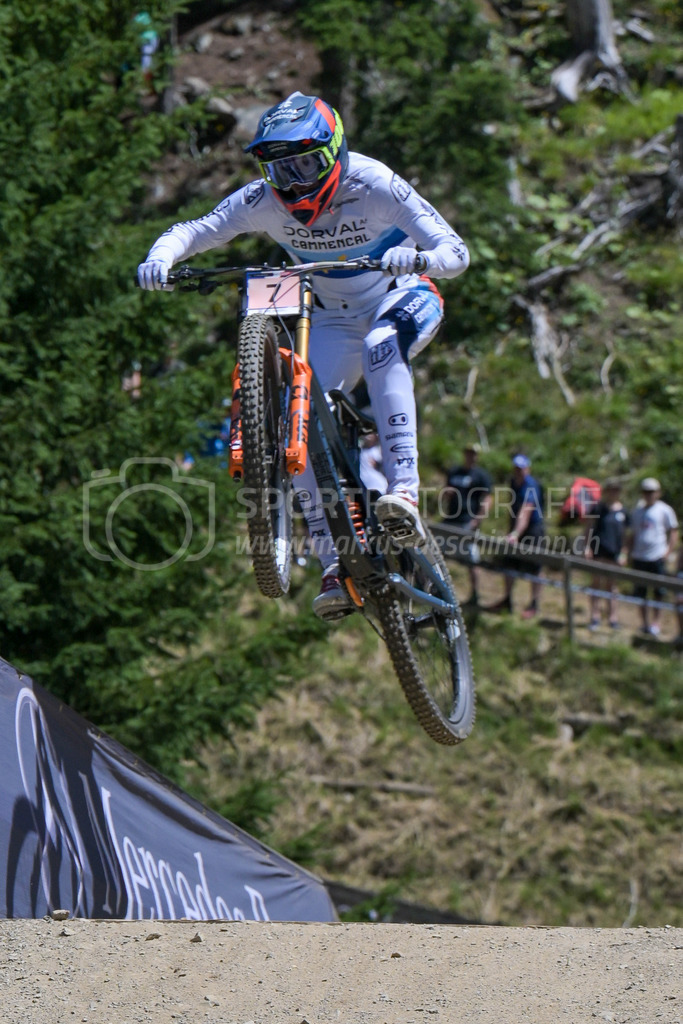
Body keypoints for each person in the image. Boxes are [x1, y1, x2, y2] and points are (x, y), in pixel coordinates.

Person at [137, 91, 470, 620]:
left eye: (307, 164)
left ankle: (404, 490)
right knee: (299, 416)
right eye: (280, 169)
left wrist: (421, 256)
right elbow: (196, 231)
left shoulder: (374, 182)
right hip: (333, 314)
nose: (294, 182)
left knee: (383, 346)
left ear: (335, 153)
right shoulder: (261, 200)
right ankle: (335, 561)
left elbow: (456, 251)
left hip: (401, 293)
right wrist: (161, 255)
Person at [487, 454, 545, 619]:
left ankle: (534, 604)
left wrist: (515, 533)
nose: (518, 472)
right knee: (509, 564)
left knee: (535, 567)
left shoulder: (530, 486)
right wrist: (511, 529)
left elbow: (525, 511)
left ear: (528, 469)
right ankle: (507, 600)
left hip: (533, 529)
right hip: (517, 527)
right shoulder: (513, 483)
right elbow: (514, 510)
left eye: (521, 469)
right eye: (516, 469)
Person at [627, 477, 679, 637]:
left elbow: (673, 531)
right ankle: (644, 623)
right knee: (640, 592)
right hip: (639, 557)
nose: (648, 495)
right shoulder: (637, 511)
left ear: (658, 493)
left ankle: (656, 623)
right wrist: (629, 552)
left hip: (657, 557)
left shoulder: (665, 510)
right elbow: (632, 534)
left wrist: (667, 552)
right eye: (646, 492)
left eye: (651, 492)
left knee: (658, 592)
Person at [442, 443, 492, 606]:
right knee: (437, 552)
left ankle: (475, 594)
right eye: (468, 453)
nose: (471, 456)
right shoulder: (454, 472)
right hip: (451, 519)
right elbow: (445, 492)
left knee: (472, 557)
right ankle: (435, 587)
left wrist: (478, 519)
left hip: (468, 521)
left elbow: (487, 499)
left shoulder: (481, 476)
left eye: (474, 454)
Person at [582, 478, 630, 630]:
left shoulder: (624, 512)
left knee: (612, 586)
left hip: (614, 553)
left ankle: (612, 617)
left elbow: (627, 536)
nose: (613, 492)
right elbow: (588, 527)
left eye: (616, 489)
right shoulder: (598, 508)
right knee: (596, 583)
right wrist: (586, 547)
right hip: (598, 550)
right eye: (611, 489)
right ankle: (595, 616)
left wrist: (624, 553)